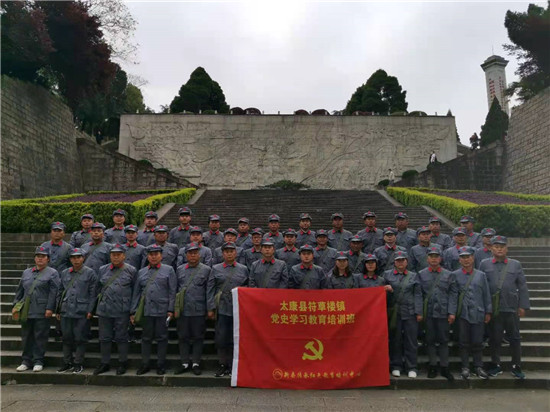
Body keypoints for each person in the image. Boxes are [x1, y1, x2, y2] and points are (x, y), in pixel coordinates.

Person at [480, 236, 530, 380]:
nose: (499, 249)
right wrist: (484, 308)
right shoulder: (484, 264)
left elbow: (522, 286)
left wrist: (523, 306)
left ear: (507, 249)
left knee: (514, 337)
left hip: (511, 307)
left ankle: (516, 365)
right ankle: (496, 364)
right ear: (491, 249)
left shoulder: (515, 264)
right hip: (494, 308)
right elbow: (481, 286)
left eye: (502, 247)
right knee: (495, 338)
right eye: (496, 246)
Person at [131, 244, 177, 376]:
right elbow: (136, 293)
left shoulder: (169, 270)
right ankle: (145, 364)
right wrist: (133, 311)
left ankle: (161, 364)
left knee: (162, 338)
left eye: (156, 254)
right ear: (147, 256)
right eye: (151, 254)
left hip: (162, 310)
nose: (153, 257)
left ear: (161, 256)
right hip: (146, 310)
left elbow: (172, 291)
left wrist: (171, 309)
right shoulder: (141, 272)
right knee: (146, 338)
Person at [13, 247, 60, 372]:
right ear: (34, 258)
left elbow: (54, 292)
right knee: (26, 336)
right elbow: (20, 290)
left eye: (43, 256)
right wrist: (16, 305)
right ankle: (26, 361)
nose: (40, 258)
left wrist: (50, 308)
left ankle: (38, 360)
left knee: (40, 336)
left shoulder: (52, 273)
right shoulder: (27, 272)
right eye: (38, 256)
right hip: (26, 310)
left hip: (42, 309)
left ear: (48, 259)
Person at [207, 242, 249, 377]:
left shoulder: (243, 269)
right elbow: (210, 289)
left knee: (234, 338)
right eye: (226, 251)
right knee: (221, 338)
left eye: (231, 251)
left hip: (238, 308)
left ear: (236, 253)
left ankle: (233, 365)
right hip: (222, 308)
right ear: (222, 254)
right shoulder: (215, 268)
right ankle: (222, 364)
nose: (229, 254)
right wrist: (211, 307)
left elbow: (247, 287)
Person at [94, 245, 137, 376]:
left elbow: (135, 292)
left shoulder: (131, 270)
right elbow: (98, 288)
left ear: (124, 256)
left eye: (119, 255)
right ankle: (104, 363)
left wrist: (133, 311)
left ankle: (122, 363)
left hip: (122, 309)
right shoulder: (102, 269)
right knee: (104, 337)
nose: (116, 257)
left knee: (121, 337)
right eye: (113, 255)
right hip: (105, 309)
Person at [417, 245, 457, 381]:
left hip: (443, 313)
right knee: (430, 340)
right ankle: (433, 365)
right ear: (427, 259)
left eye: (436, 257)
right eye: (431, 256)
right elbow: (419, 294)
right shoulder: (421, 274)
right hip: (428, 313)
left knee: (444, 340)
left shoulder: (448, 274)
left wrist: (452, 312)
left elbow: (453, 294)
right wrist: (419, 312)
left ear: (440, 259)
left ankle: (445, 367)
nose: (434, 259)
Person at [452, 246, 491, 380]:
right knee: (463, 342)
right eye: (463, 257)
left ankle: (478, 366)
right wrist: (452, 312)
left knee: (478, 341)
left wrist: (488, 311)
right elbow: (453, 296)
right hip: (462, 313)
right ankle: (465, 367)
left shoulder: (481, 275)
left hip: (478, 313)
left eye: (468, 257)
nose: (466, 260)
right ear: (459, 260)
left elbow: (486, 294)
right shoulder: (455, 275)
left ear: (473, 258)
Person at [56, 248, 97, 374]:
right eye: (73, 257)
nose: (76, 260)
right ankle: (67, 362)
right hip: (66, 309)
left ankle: (78, 363)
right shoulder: (65, 273)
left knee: (80, 338)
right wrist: (58, 309)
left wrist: (90, 310)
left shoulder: (90, 273)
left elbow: (93, 293)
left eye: (78, 257)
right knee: (66, 338)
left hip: (82, 310)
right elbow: (60, 291)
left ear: (83, 258)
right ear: (70, 259)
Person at [384, 251, 422, 378]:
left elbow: (418, 294)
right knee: (395, 340)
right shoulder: (387, 275)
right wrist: (387, 290)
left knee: (411, 340)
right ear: (394, 262)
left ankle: (412, 366)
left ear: (407, 262)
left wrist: (419, 312)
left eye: (403, 260)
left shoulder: (413, 276)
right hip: (395, 313)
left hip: (410, 312)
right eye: (398, 260)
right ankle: (396, 365)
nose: (400, 263)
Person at [174, 243, 212, 375]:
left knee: (198, 337)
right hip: (183, 309)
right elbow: (175, 289)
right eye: (190, 253)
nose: (193, 255)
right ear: (186, 255)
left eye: (195, 253)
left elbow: (209, 290)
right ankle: (184, 362)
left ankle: (196, 363)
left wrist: (209, 308)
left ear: (199, 255)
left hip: (199, 309)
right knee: (182, 336)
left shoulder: (206, 270)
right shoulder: (179, 269)